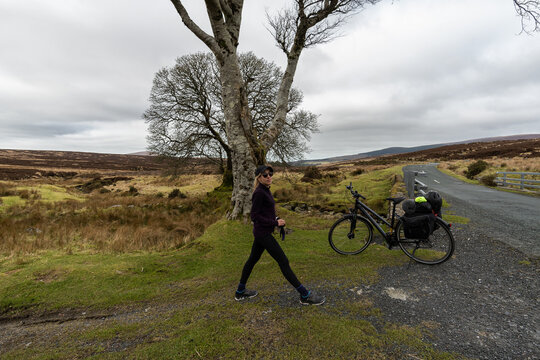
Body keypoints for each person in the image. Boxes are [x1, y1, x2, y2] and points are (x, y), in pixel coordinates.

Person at [234, 164, 325, 305]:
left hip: (261, 233)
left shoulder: (265, 190)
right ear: (259, 177)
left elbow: (265, 212)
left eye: (270, 174)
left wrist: (275, 219)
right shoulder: (259, 192)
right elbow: (254, 216)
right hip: (263, 234)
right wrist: (275, 223)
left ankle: (240, 292)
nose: (269, 177)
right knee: (283, 262)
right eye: (265, 175)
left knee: (252, 260)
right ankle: (305, 295)